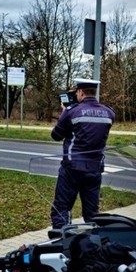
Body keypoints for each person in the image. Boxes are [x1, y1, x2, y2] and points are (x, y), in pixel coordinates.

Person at [49, 78, 115, 229]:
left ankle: (62, 241)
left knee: (61, 210)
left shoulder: (72, 112)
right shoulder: (109, 113)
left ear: (80, 92)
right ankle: (92, 246)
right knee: (92, 215)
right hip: (94, 169)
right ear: (94, 92)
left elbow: (56, 135)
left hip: (72, 169)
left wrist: (64, 114)